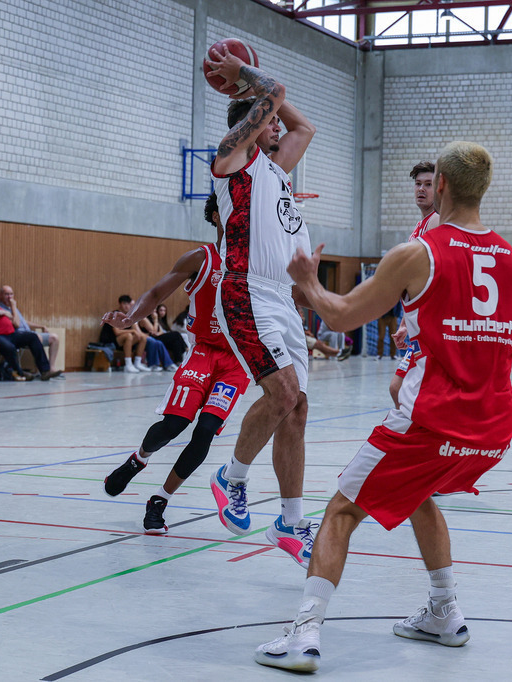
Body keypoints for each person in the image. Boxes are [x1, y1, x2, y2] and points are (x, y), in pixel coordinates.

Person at [255, 142, 512, 672]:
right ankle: (445, 611)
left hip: (431, 419)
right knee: (418, 492)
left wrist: (308, 281)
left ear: (440, 184)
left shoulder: (419, 252)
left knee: (340, 511)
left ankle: (303, 635)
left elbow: (340, 318)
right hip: (492, 428)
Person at [204, 43, 318, 564]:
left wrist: (260, 93)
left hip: (283, 300)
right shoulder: (231, 163)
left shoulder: (276, 171)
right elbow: (275, 94)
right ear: (251, 126)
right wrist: (246, 79)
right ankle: (232, 476)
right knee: (282, 393)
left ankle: (291, 523)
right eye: (267, 122)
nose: (278, 126)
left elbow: (304, 128)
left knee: (296, 409)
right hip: (245, 291)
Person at [101, 193, 251, 534]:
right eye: (234, 210)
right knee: (174, 425)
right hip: (203, 351)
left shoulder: (256, 261)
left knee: (204, 433)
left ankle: (160, 500)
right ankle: (137, 459)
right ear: (216, 216)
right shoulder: (201, 257)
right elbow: (156, 294)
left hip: (236, 360)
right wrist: (129, 318)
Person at [390, 160, 442, 405]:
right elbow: (414, 284)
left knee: (401, 389)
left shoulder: (436, 221)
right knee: (401, 389)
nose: (421, 189)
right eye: (418, 184)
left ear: (440, 188)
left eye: (428, 184)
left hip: (431, 328)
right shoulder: (418, 227)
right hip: (417, 325)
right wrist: (404, 324)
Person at [0, 279, 60, 381]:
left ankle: (45, 371)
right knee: (10, 347)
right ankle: (20, 372)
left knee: (32, 337)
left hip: (10, 333)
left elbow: (11, 317)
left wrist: (5, 313)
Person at [0, 285, 62, 374]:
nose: (10, 297)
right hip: (18, 335)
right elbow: (16, 324)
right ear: (0, 296)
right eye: (6, 294)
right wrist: (13, 307)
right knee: (35, 337)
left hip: (29, 333)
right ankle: (41, 370)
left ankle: (51, 368)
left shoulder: (14, 308)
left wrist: (41, 326)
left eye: (11, 294)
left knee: (54, 337)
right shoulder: (0, 309)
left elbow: (23, 321)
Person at [100, 295, 149, 373]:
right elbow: (117, 332)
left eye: (128, 304)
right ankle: (128, 364)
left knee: (143, 337)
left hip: (123, 343)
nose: (126, 306)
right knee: (129, 336)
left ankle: (137, 363)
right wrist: (132, 331)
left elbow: (136, 331)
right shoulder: (114, 315)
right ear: (120, 304)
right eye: (124, 304)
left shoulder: (129, 316)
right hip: (111, 342)